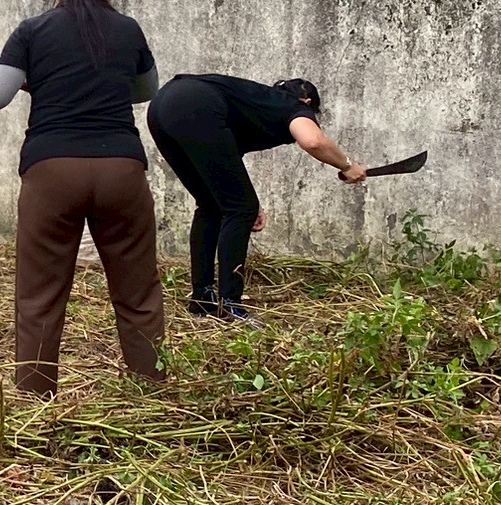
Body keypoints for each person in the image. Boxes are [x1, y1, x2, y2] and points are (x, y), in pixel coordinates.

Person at [0, 0, 166, 397]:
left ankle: (35, 396)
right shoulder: (128, 30)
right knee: (138, 289)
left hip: (51, 172)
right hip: (121, 169)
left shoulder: (33, 30)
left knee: (40, 293)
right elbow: (145, 90)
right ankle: (151, 390)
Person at [146, 74, 367, 322]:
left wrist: (252, 204)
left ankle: (203, 298)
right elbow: (313, 141)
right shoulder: (294, 106)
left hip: (161, 107)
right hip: (195, 105)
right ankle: (230, 303)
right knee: (240, 210)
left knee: (211, 205)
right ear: (306, 102)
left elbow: (225, 164)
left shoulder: (255, 103)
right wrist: (347, 165)